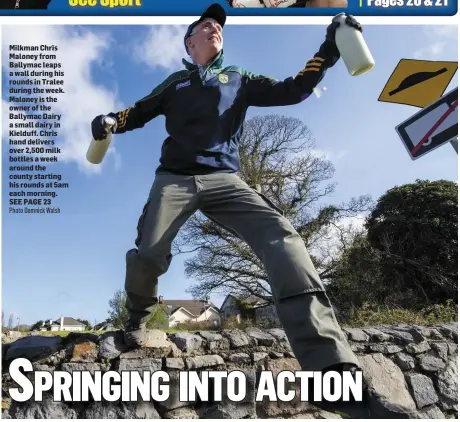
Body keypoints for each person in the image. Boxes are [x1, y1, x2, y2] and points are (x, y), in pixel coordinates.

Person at [91, 4, 415, 419]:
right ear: (189, 43)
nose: (214, 29)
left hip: (226, 180)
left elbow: (292, 89)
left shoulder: (238, 78)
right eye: (204, 26)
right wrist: (108, 121)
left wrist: (329, 49)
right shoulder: (175, 83)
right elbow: (135, 113)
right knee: (149, 252)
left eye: (218, 26)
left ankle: (338, 377)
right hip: (172, 178)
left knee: (285, 241)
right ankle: (138, 315)